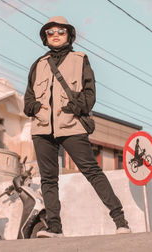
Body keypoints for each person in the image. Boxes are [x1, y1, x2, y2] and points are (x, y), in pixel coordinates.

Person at [24, 16, 130, 238]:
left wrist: (72, 108)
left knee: (92, 171)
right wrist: (36, 107)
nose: (55, 35)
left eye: (60, 31)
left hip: (71, 126)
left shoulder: (80, 59)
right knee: (48, 179)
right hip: (42, 129)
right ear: (45, 37)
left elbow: (90, 95)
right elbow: (28, 100)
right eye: (50, 32)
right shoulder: (38, 64)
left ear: (69, 35)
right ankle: (54, 228)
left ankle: (120, 221)